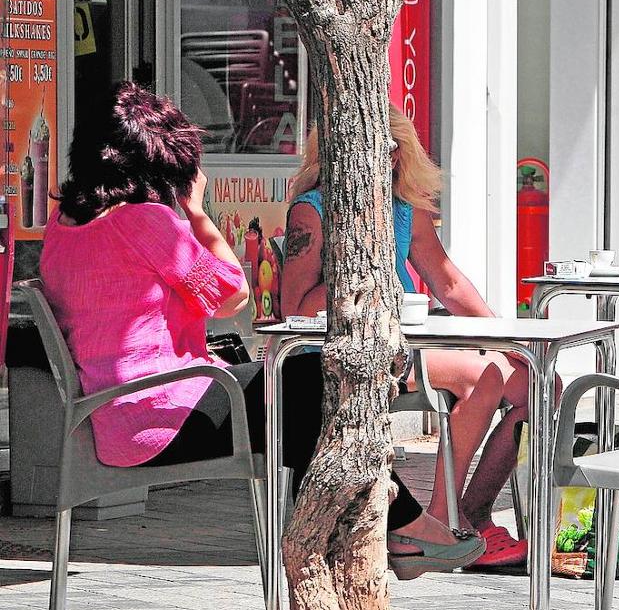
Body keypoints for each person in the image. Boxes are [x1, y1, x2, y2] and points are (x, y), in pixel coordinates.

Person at [38, 82, 482, 581]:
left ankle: (371, 550)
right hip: (162, 411)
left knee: (302, 408)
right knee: (318, 379)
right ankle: (396, 536)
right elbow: (233, 295)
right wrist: (198, 214)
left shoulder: (65, 222)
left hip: (117, 413)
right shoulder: (145, 221)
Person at [281, 104, 533, 569]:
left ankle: (470, 514)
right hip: (334, 350)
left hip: (402, 344)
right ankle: (431, 526)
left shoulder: (403, 209)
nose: (390, 160)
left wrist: (507, 339)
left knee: (536, 384)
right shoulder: (311, 212)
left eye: (396, 151)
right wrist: (359, 281)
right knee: (484, 377)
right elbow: (292, 309)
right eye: (381, 150)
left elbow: (448, 283)